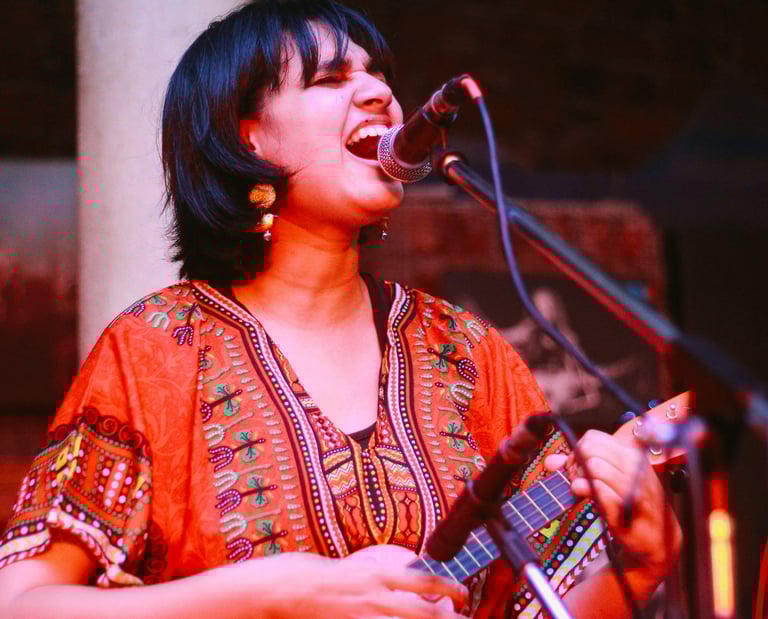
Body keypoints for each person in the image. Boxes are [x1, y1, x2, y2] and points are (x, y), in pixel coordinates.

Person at [0, 1, 680, 617]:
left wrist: (641, 564)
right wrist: (275, 593)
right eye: (331, 80)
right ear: (247, 139)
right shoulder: (156, 349)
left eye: (379, 75)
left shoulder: (467, 351)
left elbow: (540, 609)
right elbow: (23, 604)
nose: (382, 94)